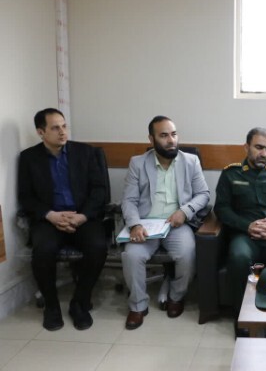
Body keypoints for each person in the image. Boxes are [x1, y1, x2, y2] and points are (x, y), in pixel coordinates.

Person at [18, 108, 107, 331]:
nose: (62, 132)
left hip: (82, 217)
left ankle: (80, 302)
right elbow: (26, 196)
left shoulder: (85, 153)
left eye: (64, 126)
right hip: (49, 219)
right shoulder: (29, 158)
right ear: (41, 132)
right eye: (55, 128)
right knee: (42, 251)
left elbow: (100, 191)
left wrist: (82, 216)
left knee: (98, 246)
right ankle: (52, 306)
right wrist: (51, 215)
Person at [121, 116, 210, 330]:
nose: (171, 140)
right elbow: (129, 200)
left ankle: (176, 296)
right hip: (146, 224)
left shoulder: (190, 161)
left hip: (176, 224)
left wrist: (185, 212)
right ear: (151, 139)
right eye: (164, 135)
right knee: (131, 255)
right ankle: (138, 306)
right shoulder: (137, 163)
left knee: (187, 253)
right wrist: (135, 224)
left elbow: (203, 194)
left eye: (174, 134)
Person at [214, 127, 266, 337]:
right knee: (239, 257)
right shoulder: (230, 174)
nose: (264, 153)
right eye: (259, 147)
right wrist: (247, 226)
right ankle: (241, 317)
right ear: (246, 147)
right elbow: (221, 209)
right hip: (245, 234)